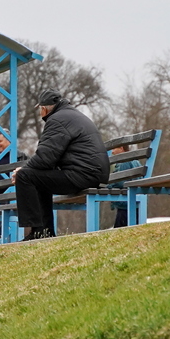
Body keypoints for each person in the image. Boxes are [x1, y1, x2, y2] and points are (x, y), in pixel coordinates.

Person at [13, 88, 109, 240]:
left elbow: (45, 158)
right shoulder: (72, 115)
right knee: (37, 178)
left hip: (82, 175)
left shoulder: (57, 120)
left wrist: (21, 170)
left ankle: (38, 232)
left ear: (43, 109)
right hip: (91, 173)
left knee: (25, 176)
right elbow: (50, 158)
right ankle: (43, 231)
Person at [108, 144, 140, 228]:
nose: (112, 151)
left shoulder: (124, 162)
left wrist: (108, 186)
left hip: (126, 205)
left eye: (114, 148)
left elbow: (119, 182)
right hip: (136, 203)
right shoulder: (135, 161)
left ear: (121, 148)